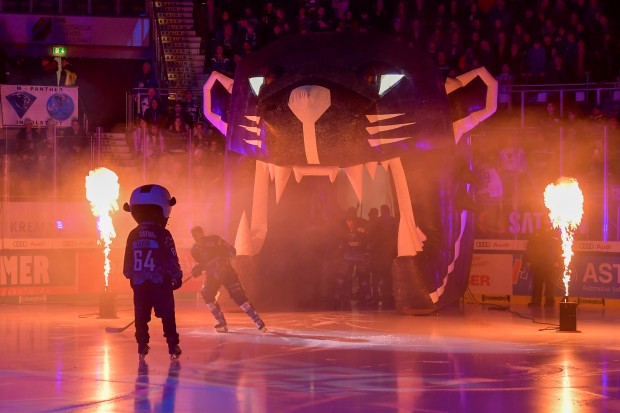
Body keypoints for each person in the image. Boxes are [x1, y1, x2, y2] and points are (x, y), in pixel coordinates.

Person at [122, 184, 183, 360]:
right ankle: (173, 346)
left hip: (140, 284)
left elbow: (128, 262)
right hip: (160, 283)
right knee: (168, 315)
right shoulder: (163, 234)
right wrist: (176, 276)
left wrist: (131, 276)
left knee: (140, 316)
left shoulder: (132, 234)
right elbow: (172, 258)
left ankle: (142, 346)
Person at [190, 225, 266, 333]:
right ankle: (220, 321)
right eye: (193, 236)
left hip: (226, 273)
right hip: (212, 275)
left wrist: (224, 260)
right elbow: (201, 264)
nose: (195, 238)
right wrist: (196, 269)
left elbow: (232, 251)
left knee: (239, 297)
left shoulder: (215, 240)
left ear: (202, 233)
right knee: (206, 293)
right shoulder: (194, 250)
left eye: (197, 235)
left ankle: (257, 320)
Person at [334, 207, 371, 309]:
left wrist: (365, 232)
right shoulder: (342, 231)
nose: (351, 223)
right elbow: (339, 244)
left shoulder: (362, 230)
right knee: (342, 278)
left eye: (353, 220)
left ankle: (367, 298)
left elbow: (367, 243)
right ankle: (339, 297)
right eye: (349, 220)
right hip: (347, 257)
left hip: (359, 257)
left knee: (363, 279)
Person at [524, 223, 562, 307]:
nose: (547, 228)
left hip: (549, 264)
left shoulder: (554, 237)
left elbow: (558, 250)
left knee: (549, 284)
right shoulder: (535, 237)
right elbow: (530, 248)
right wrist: (528, 260)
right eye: (546, 226)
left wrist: (557, 261)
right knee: (537, 283)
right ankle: (536, 302)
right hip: (538, 263)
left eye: (548, 226)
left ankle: (549, 302)